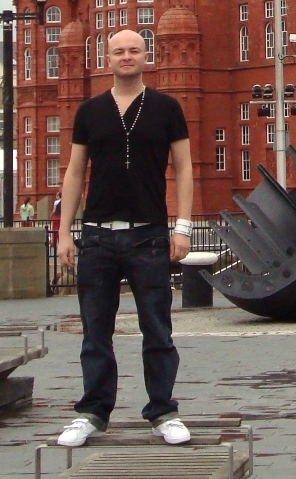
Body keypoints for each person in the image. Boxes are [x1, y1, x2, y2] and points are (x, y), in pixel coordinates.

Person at [56, 29, 194, 448]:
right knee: (95, 330)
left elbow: (184, 167)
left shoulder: (167, 107)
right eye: (119, 51)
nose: (127, 56)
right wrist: (65, 231)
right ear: (107, 58)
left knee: (158, 328)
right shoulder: (90, 111)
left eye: (134, 50)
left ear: (146, 56)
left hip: (149, 235)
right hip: (97, 236)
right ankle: (92, 413)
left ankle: (163, 411)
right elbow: (75, 171)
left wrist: (183, 226)